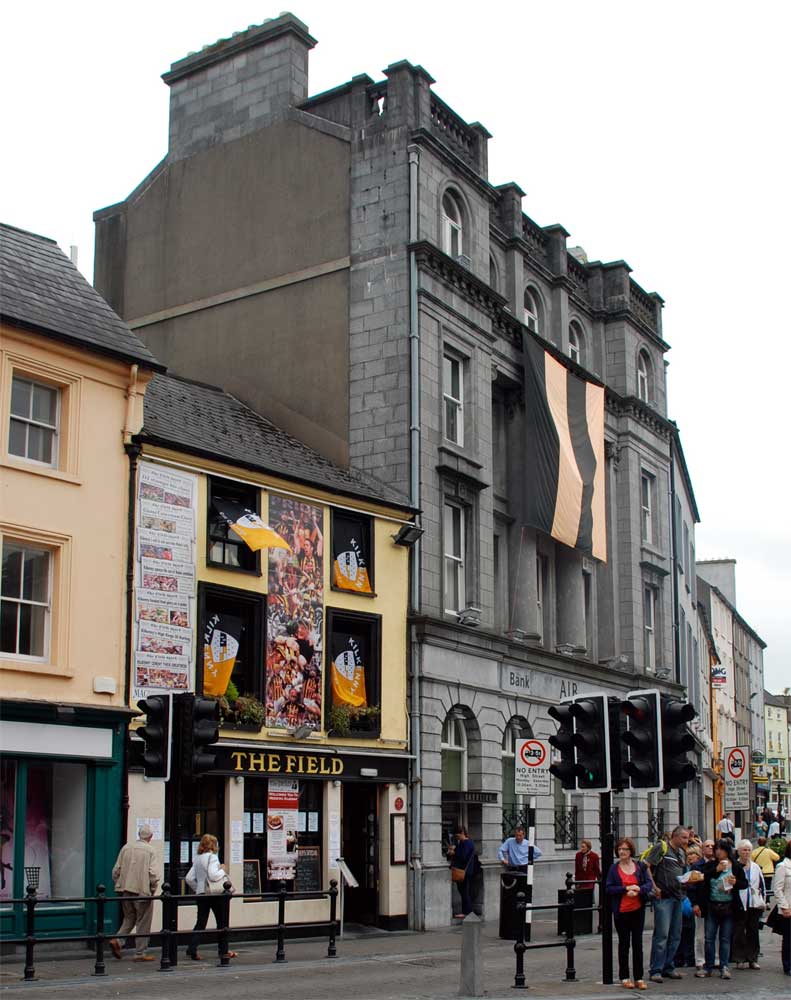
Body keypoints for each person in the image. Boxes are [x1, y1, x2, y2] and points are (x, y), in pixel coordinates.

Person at [645, 825, 697, 983]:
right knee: (662, 934)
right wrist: (654, 887)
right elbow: (646, 866)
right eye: (684, 838)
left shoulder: (681, 852)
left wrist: (689, 879)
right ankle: (656, 969)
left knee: (675, 934)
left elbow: (682, 873)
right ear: (675, 836)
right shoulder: (662, 848)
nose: (686, 841)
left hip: (678, 896)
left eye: (687, 838)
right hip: (664, 897)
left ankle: (669, 965)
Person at [605, 837, 654, 990]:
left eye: (625, 849)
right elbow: (609, 888)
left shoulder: (639, 866)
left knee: (637, 943)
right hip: (621, 911)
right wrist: (625, 889)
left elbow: (648, 884)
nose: (622, 852)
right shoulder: (614, 868)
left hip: (637, 909)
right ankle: (624, 976)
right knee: (624, 943)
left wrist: (638, 889)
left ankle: (639, 977)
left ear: (631, 851)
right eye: (620, 849)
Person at [698, 837, 747, 979]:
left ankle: (724, 966)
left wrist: (736, 882)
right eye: (716, 849)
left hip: (729, 906)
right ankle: (708, 966)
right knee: (709, 938)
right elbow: (703, 878)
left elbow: (744, 884)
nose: (718, 852)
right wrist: (716, 870)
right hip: (712, 905)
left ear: (727, 851)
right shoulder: (711, 865)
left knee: (725, 938)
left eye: (721, 849)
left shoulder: (736, 866)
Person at [109, 824, 159, 962]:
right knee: (143, 921)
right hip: (142, 891)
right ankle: (140, 953)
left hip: (125, 890)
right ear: (150, 837)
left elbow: (115, 871)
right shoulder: (150, 850)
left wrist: (119, 883)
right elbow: (153, 874)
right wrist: (152, 888)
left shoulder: (126, 847)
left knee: (129, 917)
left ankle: (118, 941)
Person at [185, 834, 237, 962]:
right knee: (222, 922)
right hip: (215, 895)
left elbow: (189, 878)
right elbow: (214, 876)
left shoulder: (198, 858)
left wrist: (199, 888)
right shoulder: (213, 858)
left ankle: (192, 947)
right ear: (213, 845)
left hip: (202, 894)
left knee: (201, 922)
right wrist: (223, 870)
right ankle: (223, 950)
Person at [732, 838, 765, 969]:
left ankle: (753, 958)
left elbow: (761, 884)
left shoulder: (756, 867)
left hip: (754, 904)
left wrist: (763, 900)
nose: (746, 852)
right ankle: (739, 959)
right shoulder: (734, 866)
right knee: (739, 931)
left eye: (748, 850)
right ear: (739, 851)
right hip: (740, 904)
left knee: (753, 931)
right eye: (744, 850)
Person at [448, 826, 476, 918]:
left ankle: (467, 912)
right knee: (464, 891)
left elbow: (463, 856)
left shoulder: (466, 843)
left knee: (464, 891)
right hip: (465, 871)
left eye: (458, 836)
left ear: (462, 833)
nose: (457, 838)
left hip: (463, 871)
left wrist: (454, 852)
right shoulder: (467, 843)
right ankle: (467, 911)